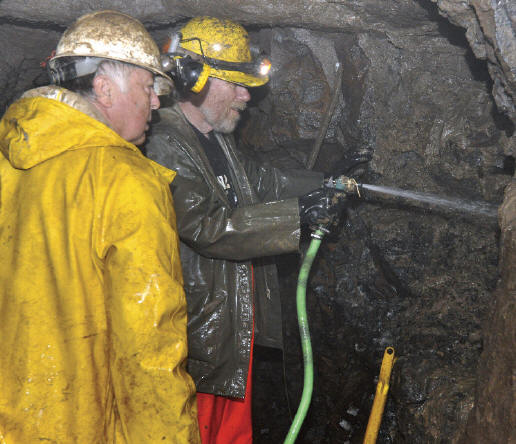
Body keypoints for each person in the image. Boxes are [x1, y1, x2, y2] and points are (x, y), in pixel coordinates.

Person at [0, 10, 200, 443]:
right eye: (148, 88)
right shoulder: (127, 179)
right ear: (104, 87)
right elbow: (150, 347)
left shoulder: (6, 159)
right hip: (76, 422)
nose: (157, 102)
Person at [145, 16, 347, 443]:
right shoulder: (163, 142)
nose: (246, 95)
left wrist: (327, 182)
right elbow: (207, 225)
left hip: (228, 330)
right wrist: (300, 215)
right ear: (194, 81)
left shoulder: (215, 138)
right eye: (234, 83)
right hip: (196, 337)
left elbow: (262, 181)